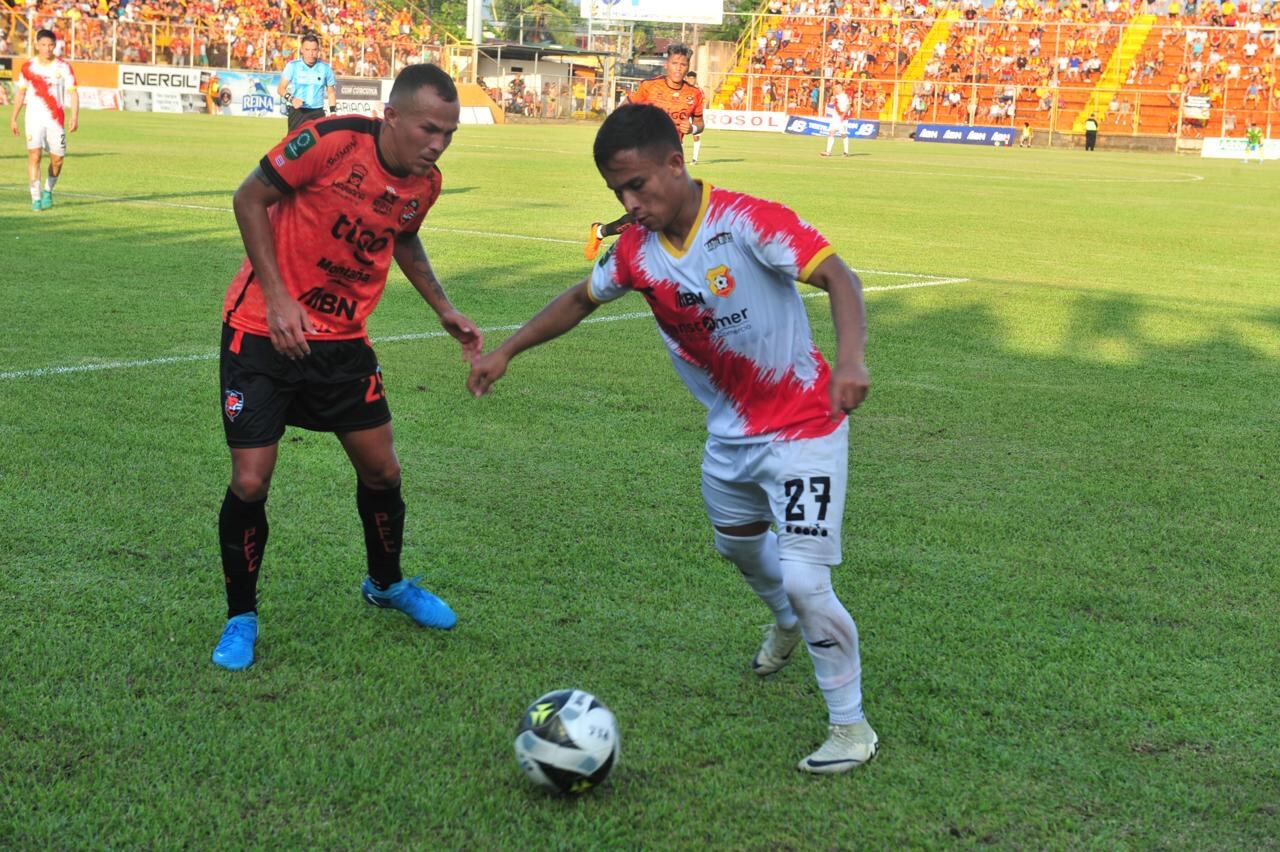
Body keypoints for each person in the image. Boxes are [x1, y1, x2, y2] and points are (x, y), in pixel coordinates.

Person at [469, 104, 878, 774]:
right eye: (617, 193)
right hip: (730, 437)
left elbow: (839, 276)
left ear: (675, 163)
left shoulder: (747, 220)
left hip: (805, 425)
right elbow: (579, 299)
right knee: (738, 547)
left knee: (808, 580)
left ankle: (850, 727)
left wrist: (853, 359)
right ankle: (783, 621)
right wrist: (507, 350)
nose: (631, 204)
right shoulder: (633, 250)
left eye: (638, 186)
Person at [211, 64, 482, 671]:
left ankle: (385, 584)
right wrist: (280, 298)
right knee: (252, 480)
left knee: (383, 472)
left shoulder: (426, 183)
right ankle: (241, 615)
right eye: (428, 129)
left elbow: (403, 236)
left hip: (341, 343)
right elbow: (249, 197)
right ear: (392, 117)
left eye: (449, 134)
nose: (437, 145)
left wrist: (443, 308)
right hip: (260, 331)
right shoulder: (331, 141)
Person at [584, 44, 705, 261]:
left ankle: (602, 232)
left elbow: (699, 122)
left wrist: (694, 128)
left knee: (655, 212)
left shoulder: (694, 94)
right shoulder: (650, 87)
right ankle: (640, 254)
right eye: (675, 63)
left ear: (688, 67)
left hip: (672, 163)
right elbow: (625, 108)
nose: (679, 68)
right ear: (667, 65)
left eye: (683, 64)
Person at [9, 29, 78, 212]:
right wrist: (14, 118)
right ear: (37, 45)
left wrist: (74, 116)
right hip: (33, 118)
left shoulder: (63, 67)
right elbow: (21, 93)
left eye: (50, 45)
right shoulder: (28, 67)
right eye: (43, 45)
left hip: (56, 121)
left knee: (58, 160)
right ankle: (36, 198)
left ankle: (48, 190)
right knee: (35, 155)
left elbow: (73, 92)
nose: (47, 48)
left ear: (55, 46)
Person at [277, 33, 337, 132]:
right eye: (307, 50)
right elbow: (280, 89)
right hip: (298, 112)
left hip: (317, 112)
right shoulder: (292, 66)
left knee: (318, 145)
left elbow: (331, 92)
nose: (311, 53)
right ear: (302, 50)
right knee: (294, 144)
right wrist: (292, 99)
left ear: (318, 51)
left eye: (314, 50)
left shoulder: (325, 68)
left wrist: (333, 113)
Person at [821, 83, 851, 158]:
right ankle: (828, 151)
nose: (835, 89)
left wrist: (843, 115)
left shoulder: (846, 96)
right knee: (831, 132)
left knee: (843, 134)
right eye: (835, 88)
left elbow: (848, 106)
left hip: (843, 118)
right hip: (835, 117)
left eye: (837, 88)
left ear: (841, 88)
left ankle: (846, 152)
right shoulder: (835, 97)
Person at [685, 70, 704, 165]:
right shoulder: (683, 88)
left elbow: (702, 102)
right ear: (687, 79)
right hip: (684, 113)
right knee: (680, 135)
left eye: (693, 78)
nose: (692, 80)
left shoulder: (699, 90)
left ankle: (694, 159)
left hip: (695, 114)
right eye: (690, 78)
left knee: (696, 136)